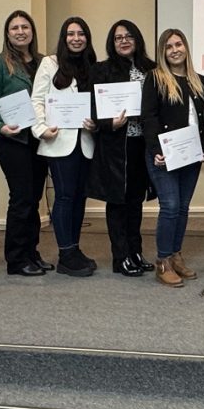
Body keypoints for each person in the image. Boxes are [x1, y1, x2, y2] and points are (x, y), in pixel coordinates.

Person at [0, 10, 54, 277]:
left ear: (32, 31)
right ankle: (16, 258)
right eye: (15, 28)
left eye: (25, 27)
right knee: (21, 198)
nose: (20, 31)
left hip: (39, 139)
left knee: (35, 199)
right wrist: (0, 127)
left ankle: (32, 252)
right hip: (14, 139)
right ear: (7, 33)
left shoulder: (45, 61)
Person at [141, 29, 204, 287]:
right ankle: (162, 262)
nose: (175, 50)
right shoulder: (156, 79)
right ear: (163, 51)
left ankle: (175, 255)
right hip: (164, 155)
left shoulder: (198, 80)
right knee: (170, 206)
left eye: (178, 44)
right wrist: (155, 150)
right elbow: (149, 117)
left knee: (182, 207)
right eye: (169, 46)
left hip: (191, 155)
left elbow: (202, 120)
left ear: (186, 47)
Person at [88, 19, 157, 277]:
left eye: (128, 36)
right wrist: (109, 123)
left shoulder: (151, 69)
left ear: (137, 39)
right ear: (112, 43)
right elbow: (93, 108)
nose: (124, 41)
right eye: (118, 38)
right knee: (118, 200)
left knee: (136, 200)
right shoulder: (101, 70)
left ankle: (135, 252)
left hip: (142, 144)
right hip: (116, 144)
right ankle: (121, 257)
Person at [31, 17, 98, 277]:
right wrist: (41, 129)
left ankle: (75, 248)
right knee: (65, 196)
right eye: (71, 34)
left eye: (81, 33)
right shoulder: (50, 63)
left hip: (86, 142)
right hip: (58, 142)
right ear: (63, 37)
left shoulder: (92, 66)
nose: (76, 38)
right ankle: (66, 254)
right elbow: (37, 99)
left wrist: (96, 123)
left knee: (80, 198)